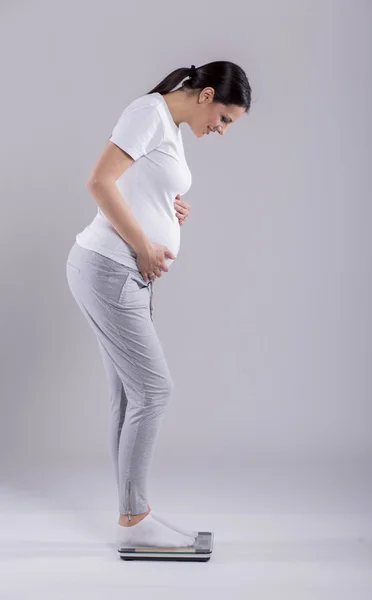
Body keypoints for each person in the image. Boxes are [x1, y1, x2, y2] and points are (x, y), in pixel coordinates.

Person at [66, 61, 252, 548]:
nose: (221, 130)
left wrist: (166, 202)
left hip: (115, 272)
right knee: (154, 392)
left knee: (129, 397)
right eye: (225, 119)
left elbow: (133, 182)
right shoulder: (148, 112)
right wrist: (147, 247)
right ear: (207, 95)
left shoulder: (167, 124)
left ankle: (134, 512)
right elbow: (98, 181)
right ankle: (133, 520)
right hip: (110, 269)